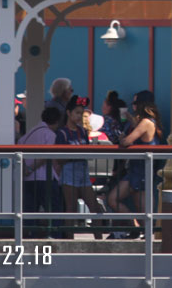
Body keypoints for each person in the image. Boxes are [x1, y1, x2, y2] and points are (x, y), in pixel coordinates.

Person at [108, 99, 163, 237]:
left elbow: (127, 141)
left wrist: (122, 138)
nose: (133, 106)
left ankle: (141, 231)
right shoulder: (148, 122)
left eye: (135, 103)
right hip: (136, 170)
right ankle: (136, 228)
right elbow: (136, 127)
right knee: (115, 199)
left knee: (143, 212)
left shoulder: (146, 122)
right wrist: (127, 117)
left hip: (142, 172)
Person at [55, 95, 105, 237]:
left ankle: (100, 239)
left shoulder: (83, 131)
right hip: (69, 171)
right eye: (76, 112)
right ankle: (69, 240)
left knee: (94, 206)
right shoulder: (62, 133)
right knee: (71, 208)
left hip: (83, 171)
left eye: (81, 113)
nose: (79, 116)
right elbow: (59, 158)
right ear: (69, 113)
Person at [20, 106, 64, 237]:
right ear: (56, 121)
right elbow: (46, 154)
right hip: (45, 178)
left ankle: (29, 238)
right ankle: (55, 237)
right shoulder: (50, 134)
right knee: (54, 211)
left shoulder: (28, 134)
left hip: (28, 180)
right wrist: (31, 168)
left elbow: (19, 148)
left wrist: (25, 169)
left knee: (30, 213)